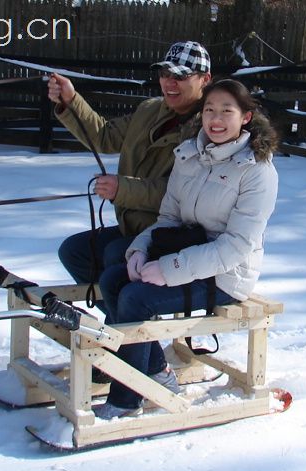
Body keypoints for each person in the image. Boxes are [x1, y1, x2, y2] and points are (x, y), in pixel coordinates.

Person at [93, 79, 280, 420]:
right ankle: (154, 371)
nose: (216, 119)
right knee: (112, 280)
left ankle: (126, 399)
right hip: (185, 255)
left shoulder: (257, 172)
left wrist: (169, 269)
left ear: (246, 118)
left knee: (136, 298)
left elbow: (237, 245)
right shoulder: (189, 155)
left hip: (225, 276)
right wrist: (140, 250)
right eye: (209, 110)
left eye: (227, 111)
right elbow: (168, 216)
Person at [48, 41, 212, 311]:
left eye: (180, 76)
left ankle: (124, 333)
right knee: (74, 251)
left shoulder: (210, 127)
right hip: (132, 227)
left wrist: (122, 189)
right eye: (164, 74)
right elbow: (104, 136)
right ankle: (122, 326)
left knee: (115, 255)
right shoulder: (150, 110)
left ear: (204, 79)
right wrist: (71, 100)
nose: (169, 83)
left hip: (176, 236)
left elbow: (184, 194)